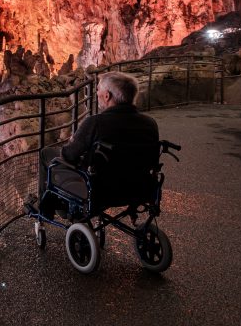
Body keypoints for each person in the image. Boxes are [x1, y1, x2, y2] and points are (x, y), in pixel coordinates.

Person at [31, 71, 159, 217]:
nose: (96, 93)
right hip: (140, 187)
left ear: (107, 96)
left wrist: (74, 142)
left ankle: (44, 207)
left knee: (47, 153)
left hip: (103, 190)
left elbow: (68, 155)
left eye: (98, 90)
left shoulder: (95, 123)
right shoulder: (150, 124)